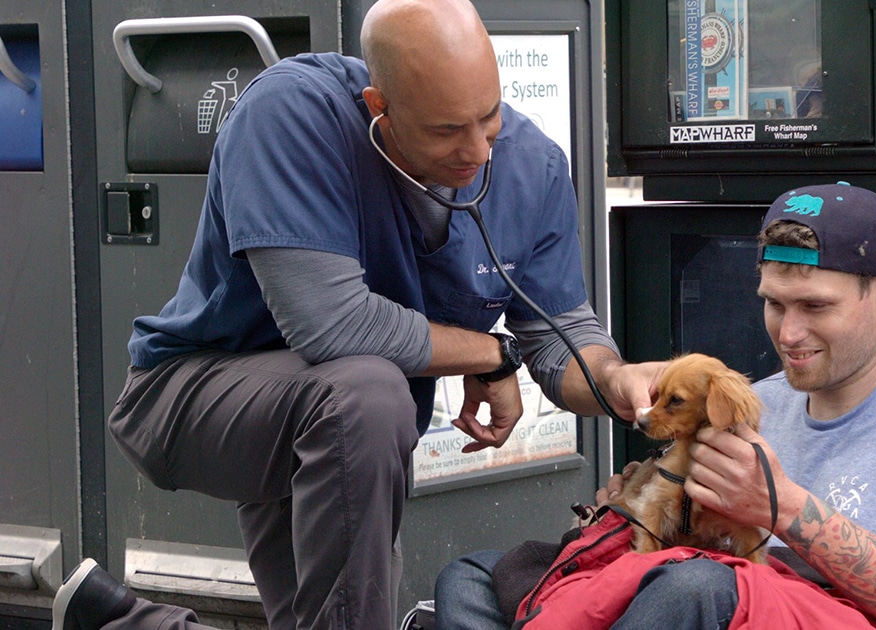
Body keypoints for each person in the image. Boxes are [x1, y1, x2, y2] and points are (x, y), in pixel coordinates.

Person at [51, 1, 662, 629]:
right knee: (368, 392)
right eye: (448, 131)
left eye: (490, 117)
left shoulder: (533, 168)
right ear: (380, 109)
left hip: (334, 430)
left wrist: (614, 380)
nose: (478, 151)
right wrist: (493, 352)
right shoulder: (291, 114)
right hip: (195, 393)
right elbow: (334, 327)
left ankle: (118, 621)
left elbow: (562, 338)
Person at [435, 182, 876, 630]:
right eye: (774, 304)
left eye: (815, 307)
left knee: (692, 588)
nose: (788, 333)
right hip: (726, 605)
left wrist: (784, 508)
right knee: (478, 578)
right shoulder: (753, 403)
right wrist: (638, 512)